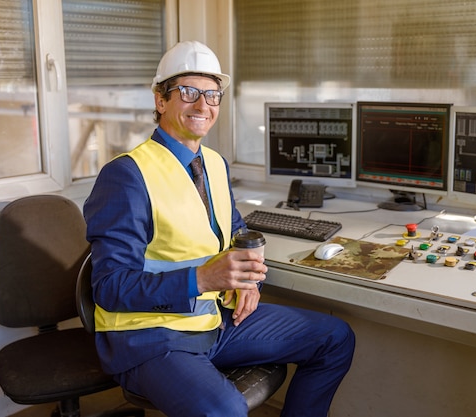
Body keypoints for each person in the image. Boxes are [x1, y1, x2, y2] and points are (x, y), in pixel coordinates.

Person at [83, 40, 355, 417]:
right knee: (224, 410)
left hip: (214, 320)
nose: (203, 105)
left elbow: (236, 232)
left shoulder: (212, 163)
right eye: (189, 92)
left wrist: (249, 280)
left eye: (212, 95)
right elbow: (110, 287)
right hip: (151, 337)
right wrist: (202, 279)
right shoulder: (126, 176)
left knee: (334, 338)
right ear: (161, 100)